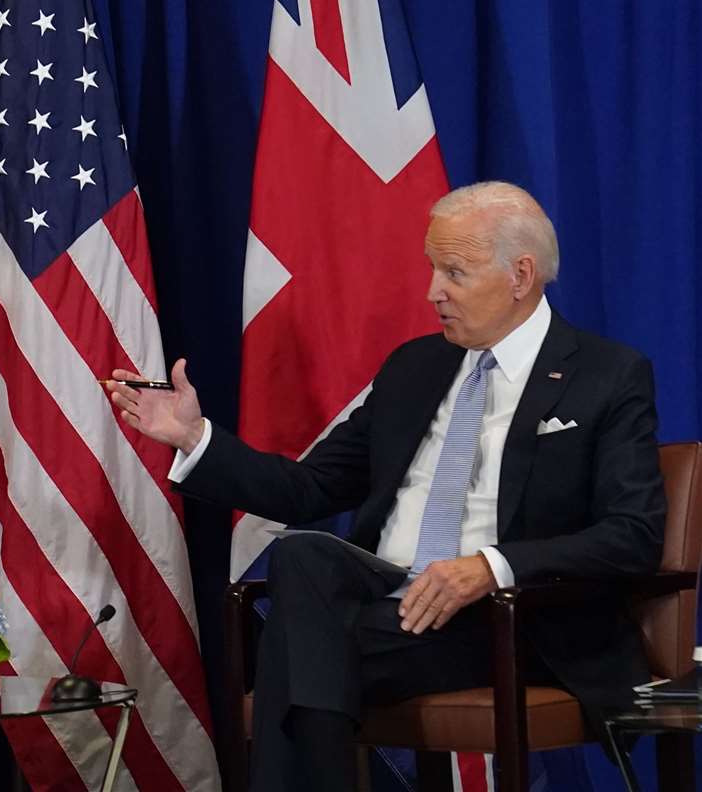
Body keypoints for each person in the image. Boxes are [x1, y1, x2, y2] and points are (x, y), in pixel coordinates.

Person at [108, 182, 665, 792]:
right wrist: (194, 438)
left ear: (521, 275)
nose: (433, 291)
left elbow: (630, 534)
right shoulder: (414, 368)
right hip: (389, 605)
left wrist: (489, 566)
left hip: (509, 620)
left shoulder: (607, 375)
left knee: (291, 658)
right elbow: (308, 489)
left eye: (454, 271)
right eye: (433, 269)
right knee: (303, 555)